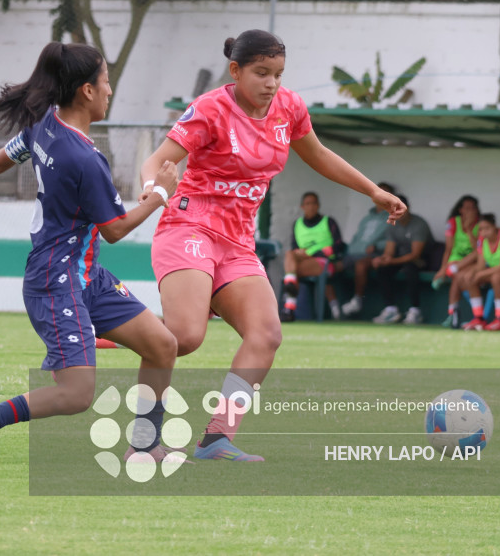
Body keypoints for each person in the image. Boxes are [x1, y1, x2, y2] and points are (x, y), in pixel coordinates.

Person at [138, 29, 405, 461]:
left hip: (238, 242)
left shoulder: (289, 107)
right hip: (189, 227)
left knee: (266, 334)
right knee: (184, 338)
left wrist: (372, 191)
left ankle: (216, 437)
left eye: (278, 74)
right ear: (236, 70)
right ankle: (143, 430)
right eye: (261, 73)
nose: (271, 83)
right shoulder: (209, 109)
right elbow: (157, 160)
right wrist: (153, 187)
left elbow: (317, 154)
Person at [0, 42, 179, 463]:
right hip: (56, 282)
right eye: (106, 81)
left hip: (85, 274)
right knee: (76, 394)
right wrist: (159, 196)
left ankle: (145, 445)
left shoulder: (47, 125)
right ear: (86, 91)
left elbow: (1, 159)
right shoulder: (85, 159)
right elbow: (114, 230)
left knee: (162, 345)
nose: (110, 90)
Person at [371, 194, 435, 325]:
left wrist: (392, 261)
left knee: (410, 269)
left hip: (423, 260)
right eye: (393, 209)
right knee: (383, 269)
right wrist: (382, 259)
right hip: (401, 259)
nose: (397, 212)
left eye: (400, 208)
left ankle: (415, 311)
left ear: (407, 208)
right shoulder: (393, 224)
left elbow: (415, 255)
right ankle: (391, 309)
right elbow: (389, 251)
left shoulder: (419, 224)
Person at [280, 191, 345, 321]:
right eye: (308, 203)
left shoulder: (329, 221)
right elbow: (294, 247)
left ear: (318, 205)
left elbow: (339, 245)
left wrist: (314, 252)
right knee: (289, 255)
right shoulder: (297, 224)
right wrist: (300, 252)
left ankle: (289, 307)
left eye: (314, 203)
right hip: (303, 260)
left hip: (324, 262)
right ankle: (290, 283)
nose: (311, 206)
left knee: (292, 272)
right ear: (302, 207)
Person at [338, 181, 396, 317]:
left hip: (374, 255)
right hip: (353, 254)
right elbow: (357, 237)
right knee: (333, 267)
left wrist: (377, 246)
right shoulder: (367, 218)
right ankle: (332, 307)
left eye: (384, 193)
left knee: (360, 265)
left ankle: (357, 299)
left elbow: (393, 240)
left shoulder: (392, 216)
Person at [434, 195, 480, 328]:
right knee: (460, 276)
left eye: (473, 208)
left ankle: (452, 313)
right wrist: (443, 268)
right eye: (466, 208)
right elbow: (448, 248)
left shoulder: (480, 224)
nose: (470, 211)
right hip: (456, 260)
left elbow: (479, 249)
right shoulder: (454, 222)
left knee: (459, 277)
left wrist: (469, 230)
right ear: (460, 209)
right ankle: (478, 314)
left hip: (473, 261)